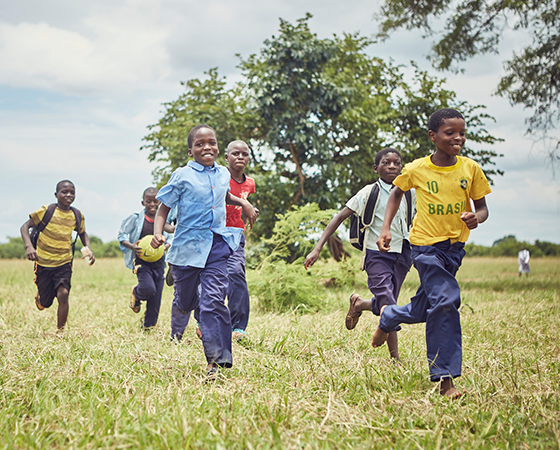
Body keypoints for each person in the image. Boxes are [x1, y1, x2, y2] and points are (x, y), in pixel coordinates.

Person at [374, 108, 491, 398]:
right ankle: (445, 379)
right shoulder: (416, 169)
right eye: (450, 133)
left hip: (454, 250)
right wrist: (386, 228)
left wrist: (478, 217)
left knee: (425, 308)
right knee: (447, 301)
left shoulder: (470, 169)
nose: (458, 138)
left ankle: (389, 316)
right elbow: (396, 192)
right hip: (425, 247)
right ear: (433, 136)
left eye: (461, 132)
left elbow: (483, 207)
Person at [150, 124, 258, 379]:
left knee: (213, 301)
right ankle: (181, 290)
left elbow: (225, 196)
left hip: (216, 245)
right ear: (190, 151)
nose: (206, 147)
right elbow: (163, 208)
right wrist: (157, 233)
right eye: (199, 144)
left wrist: (244, 203)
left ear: (218, 147)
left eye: (211, 142)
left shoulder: (222, 173)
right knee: (186, 302)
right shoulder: (182, 176)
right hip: (188, 248)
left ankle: (216, 361)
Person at [304, 148, 415, 362]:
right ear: (376, 168)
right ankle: (396, 359)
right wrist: (317, 248)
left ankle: (360, 304)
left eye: (396, 163)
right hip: (376, 255)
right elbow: (338, 218)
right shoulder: (367, 193)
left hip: (403, 255)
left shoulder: (410, 192)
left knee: (387, 300)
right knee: (389, 304)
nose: (392, 166)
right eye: (386, 162)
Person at [20, 180, 95, 332]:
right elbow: (24, 227)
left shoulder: (77, 215)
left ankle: (60, 332)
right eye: (64, 192)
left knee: (64, 294)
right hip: (43, 262)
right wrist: (29, 246)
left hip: (64, 262)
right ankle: (41, 296)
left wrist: (88, 249)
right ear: (56, 195)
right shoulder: (46, 211)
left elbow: (82, 233)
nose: (68, 195)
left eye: (72, 192)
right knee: (45, 303)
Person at [117, 187, 175, 330]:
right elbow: (122, 236)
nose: (152, 204)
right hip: (142, 263)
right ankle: (137, 292)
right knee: (148, 289)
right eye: (148, 201)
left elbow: (173, 236)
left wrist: (166, 246)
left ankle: (148, 328)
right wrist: (132, 247)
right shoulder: (135, 218)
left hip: (159, 263)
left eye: (156, 201)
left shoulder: (165, 221)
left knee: (156, 299)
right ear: (143, 203)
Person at [224, 140, 256, 341]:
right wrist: (244, 203)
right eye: (235, 154)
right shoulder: (220, 177)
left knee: (236, 273)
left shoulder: (250, 183)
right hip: (213, 232)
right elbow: (222, 196)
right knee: (209, 277)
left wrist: (251, 210)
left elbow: (244, 207)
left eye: (244, 154)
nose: (240, 157)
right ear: (226, 157)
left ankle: (239, 327)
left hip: (236, 234)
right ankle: (203, 320)